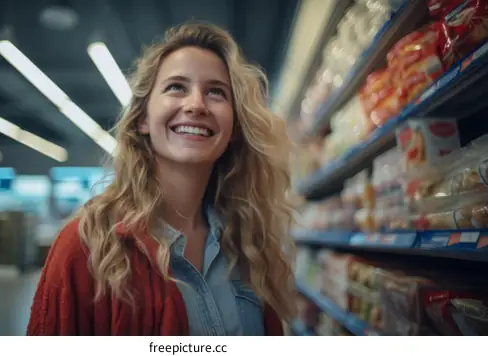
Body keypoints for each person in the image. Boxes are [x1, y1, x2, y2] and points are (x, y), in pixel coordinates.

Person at [27, 22, 297, 336]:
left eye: (216, 92)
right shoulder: (87, 246)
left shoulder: (248, 245)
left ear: (234, 127)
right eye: (176, 87)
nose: (196, 104)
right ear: (143, 118)